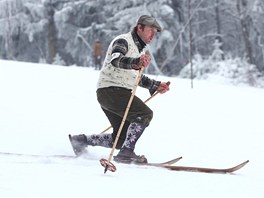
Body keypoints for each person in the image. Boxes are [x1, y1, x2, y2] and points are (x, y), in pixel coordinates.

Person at [69, 15, 170, 163]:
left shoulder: (139, 50)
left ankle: (81, 141)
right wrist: (136, 62)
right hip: (112, 91)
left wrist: (155, 85)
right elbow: (116, 60)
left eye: (156, 32)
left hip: (111, 94)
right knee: (144, 113)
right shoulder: (123, 41)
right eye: (151, 30)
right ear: (139, 27)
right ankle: (127, 153)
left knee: (121, 138)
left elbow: (133, 75)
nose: (153, 35)